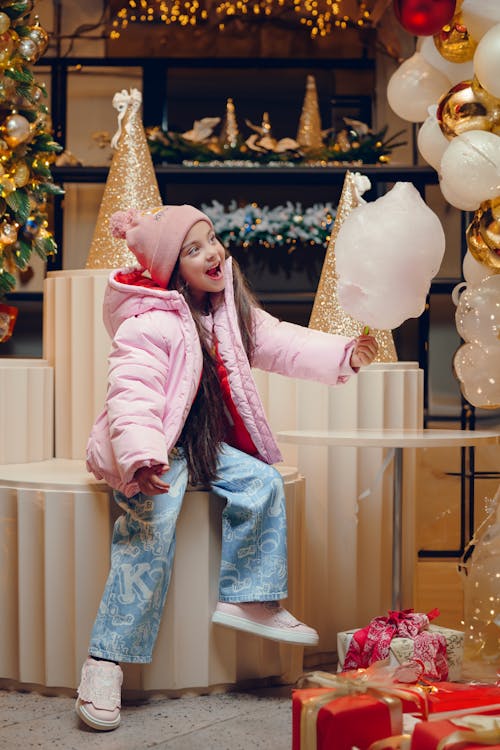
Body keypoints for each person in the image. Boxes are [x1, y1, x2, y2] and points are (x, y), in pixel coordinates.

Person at [76, 204, 378, 731]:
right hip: (151, 449)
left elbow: (284, 342)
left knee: (261, 482)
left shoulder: (227, 312)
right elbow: (133, 394)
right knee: (152, 528)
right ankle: (104, 661)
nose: (212, 253)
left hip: (200, 444)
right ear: (171, 269)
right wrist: (143, 456)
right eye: (192, 250)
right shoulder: (148, 324)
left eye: (211, 239)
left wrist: (343, 356)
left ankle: (249, 598)